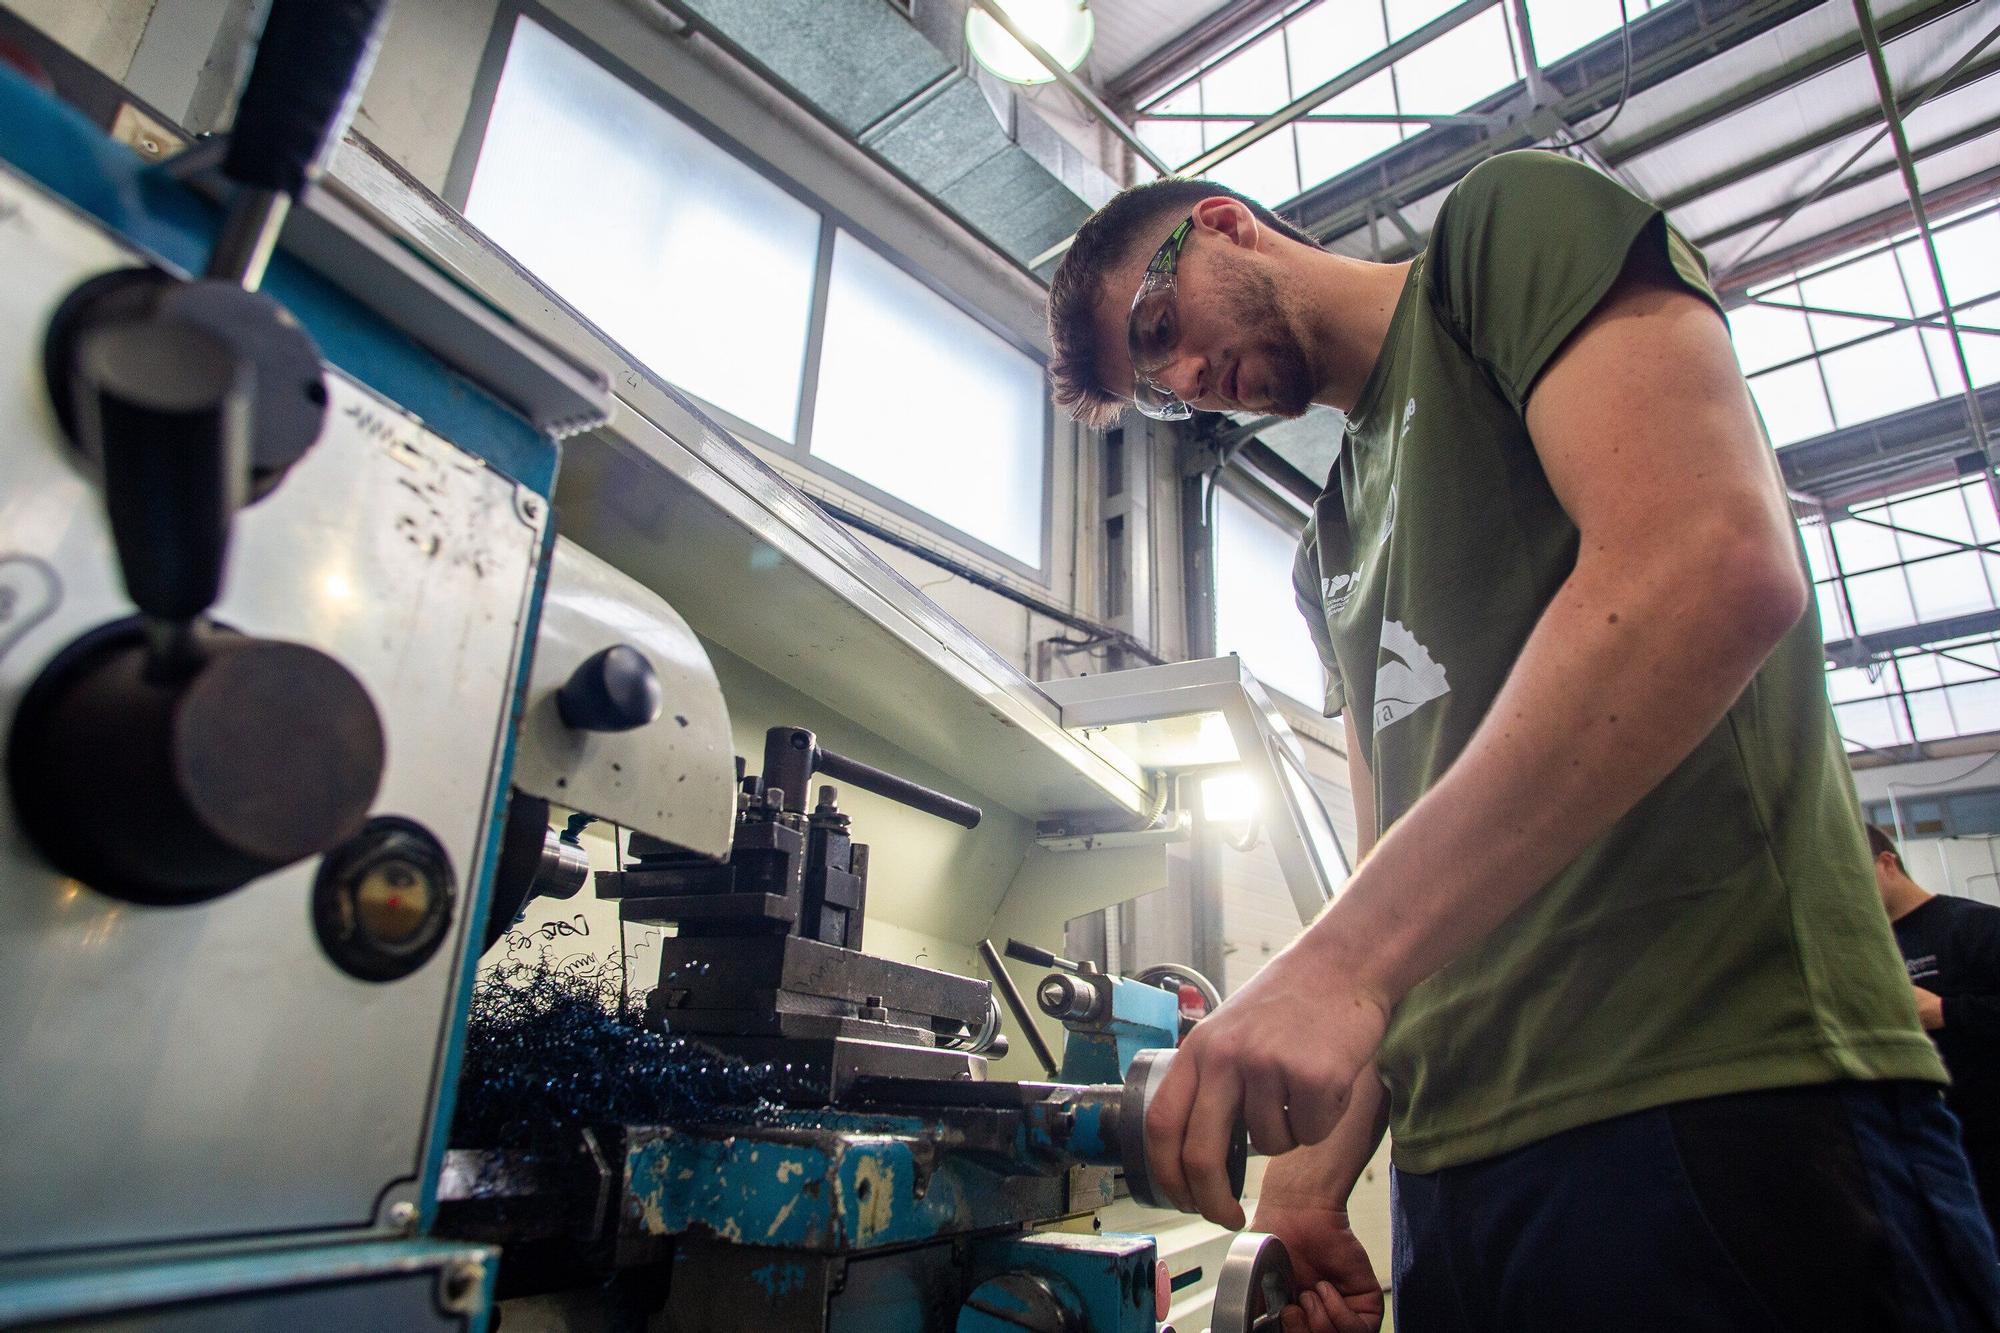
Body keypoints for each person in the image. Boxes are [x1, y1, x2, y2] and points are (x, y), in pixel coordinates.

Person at [1045, 150, 2000, 1331]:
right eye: (1155, 388)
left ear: (1225, 226)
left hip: (1718, 1098)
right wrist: (1306, 1177)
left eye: (1155, 324)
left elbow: (1708, 564)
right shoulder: (1327, 542)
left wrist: (1338, 966)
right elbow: (1394, 864)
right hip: (1464, 1177)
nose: (1186, 379)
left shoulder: (1499, 239)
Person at [1873, 822, 2000, 1238]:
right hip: (1932, 1146)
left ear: (1887, 863)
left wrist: (1946, 1010)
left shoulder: (1976, 926)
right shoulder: (1867, 950)